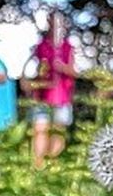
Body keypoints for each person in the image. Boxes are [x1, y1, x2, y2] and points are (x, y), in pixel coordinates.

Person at [27, 12, 77, 167]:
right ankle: (39, 164)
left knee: (58, 130)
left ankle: (52, 164)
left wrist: (62, 67)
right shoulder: (40, 46)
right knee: (40, 129)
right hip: (42, 95)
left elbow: (75, 71)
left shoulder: (68, 48)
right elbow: (33, 70)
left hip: (62, 96)